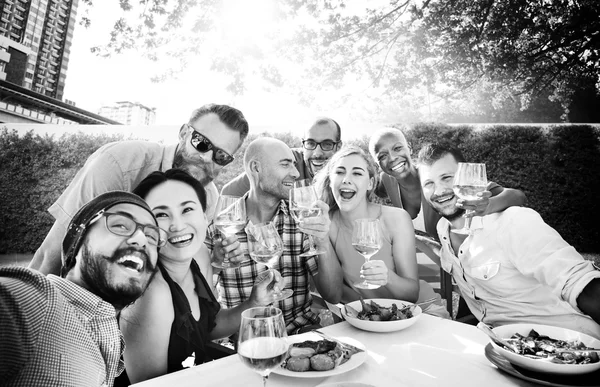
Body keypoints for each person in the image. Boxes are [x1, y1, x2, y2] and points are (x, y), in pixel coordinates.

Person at [29, 103, 249, 276]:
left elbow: (178, 264)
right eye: (201, 143)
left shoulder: (209, 197)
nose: (206, 158)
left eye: (220, 156)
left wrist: (216, 263)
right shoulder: (119, 163)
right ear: (183, 133)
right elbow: (56, 251)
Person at [416, 142, 600, 338]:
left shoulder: (512, 222)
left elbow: (579, 283)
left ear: (464, 177)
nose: (439, 190)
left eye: (446, 178)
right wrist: (415, 239)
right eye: (429, 183)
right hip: (503, 344)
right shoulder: (443, 229)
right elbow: (453, 261)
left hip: (568, 341)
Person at [116, 169, 282, 384]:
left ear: (205, 216)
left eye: (187, 209)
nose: (177, 225)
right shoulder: (150, 294)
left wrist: (254, 302)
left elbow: (209, 327)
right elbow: (150, 384)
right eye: (161, 215)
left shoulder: (201, 254)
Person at [0, 191, 162, 386]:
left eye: (152, 237)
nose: (142, 239)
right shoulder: (36, 300)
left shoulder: (105, 335)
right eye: (120, 225)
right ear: (77, 241)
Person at [207, 137, 343, 334]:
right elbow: (202, 311)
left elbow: (333, 295)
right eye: (285, 164)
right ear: (256, 168)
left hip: (299, 333)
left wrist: (323, 239)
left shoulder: (302, 221)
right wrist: (215, 265)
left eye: (295, 165)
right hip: (242, 340)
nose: (296, 173)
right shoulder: (219, 228)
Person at [313, 145, 449, 318]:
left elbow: (411, 294)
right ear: (330, 180)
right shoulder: (327, 223)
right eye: (339, 172)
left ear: (370, 183)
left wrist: (388, 278)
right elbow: (332, 295)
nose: (346, 179)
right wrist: (322, 239)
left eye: (357, 173)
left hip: (419, 311)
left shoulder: (396, 219)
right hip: (370, 318)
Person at [368, 127, 526, 242]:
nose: (393, 158)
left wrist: (488, 205)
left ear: (409, 148)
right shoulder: (386, 181)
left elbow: (517, 196)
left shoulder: (434, 175)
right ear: (377, 163)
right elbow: (369, 188)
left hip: (467, 258)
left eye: (397, 148)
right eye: (382, 156)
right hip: (438, 264)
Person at [221, 117, 342, 196]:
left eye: (327, 144)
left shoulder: (348, 169)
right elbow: (229, 193)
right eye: (310, 143)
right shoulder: (287, 160)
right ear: (303, 145)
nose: (317, 153)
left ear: (339, 147)